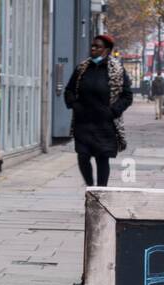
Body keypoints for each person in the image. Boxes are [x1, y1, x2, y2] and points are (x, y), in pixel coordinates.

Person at [64, 35, 133, 188]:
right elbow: (69, 90)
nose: (93, 48)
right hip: (83, 122)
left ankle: (101, 192)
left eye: (97, 46)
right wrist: (75, 105)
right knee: (83, 156)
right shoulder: (82, 68)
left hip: (104, 124)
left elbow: (127, 96)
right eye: (92, 46)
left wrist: (113, 111)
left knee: (102, 159)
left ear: (106, 50)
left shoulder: (117, 70)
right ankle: (90, 187)